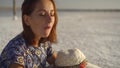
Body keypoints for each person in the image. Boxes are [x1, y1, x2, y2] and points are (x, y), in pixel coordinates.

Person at [0, 0, 58, 68]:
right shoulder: (16, 50)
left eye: (52, 14)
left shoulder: (44, 43)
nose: (50, 19)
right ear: (27, 20)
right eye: (42, 14)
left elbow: (59, 63)